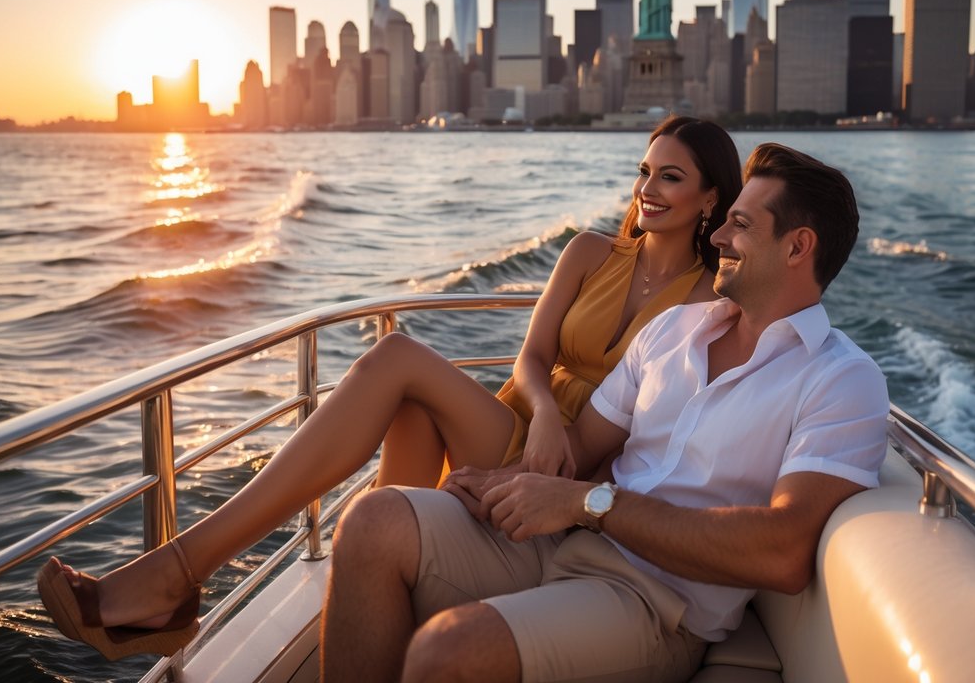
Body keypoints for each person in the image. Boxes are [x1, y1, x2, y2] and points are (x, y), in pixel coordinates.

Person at [36, 117, 744, 661]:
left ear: (711, 196)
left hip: (580, 467)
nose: (647, 191)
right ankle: (200, 577)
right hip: (523, 427)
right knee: (401, 377)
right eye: (643, 172)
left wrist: (567, 444)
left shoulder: (712, 296)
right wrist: (548, 420)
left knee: (399, 360)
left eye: (671, 178)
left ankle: (180, 578)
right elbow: (531, 357)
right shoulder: (591, 252)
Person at [319, 143, 891, 682]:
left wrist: (589, 505)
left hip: (658, 601)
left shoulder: (841, 379)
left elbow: (784, 551)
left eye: (740, 225)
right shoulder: (671, 331)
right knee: (372, 522)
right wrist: (497, 483)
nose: (716, 235)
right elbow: (584, 446)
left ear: (797, 247)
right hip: (562, 538)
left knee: (450, 648)